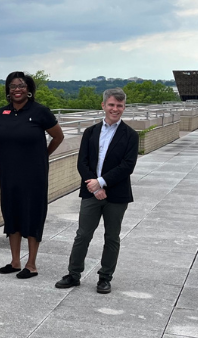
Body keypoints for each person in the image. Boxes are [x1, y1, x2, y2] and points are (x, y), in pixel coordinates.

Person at [56, 88, 138, 294]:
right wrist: (93, 186)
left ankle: (105, 278)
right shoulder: (90, 132)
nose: (115, 109)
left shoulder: (130, 135)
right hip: (91, 192)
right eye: (111, 105)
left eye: (119, 106)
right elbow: (82, 162)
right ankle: (74, 274)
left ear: (124, 108)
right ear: (103, 106)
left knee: (112, 237)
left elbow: (127, 166)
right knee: (82, 235)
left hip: (116, 195)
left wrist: (101, 182)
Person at [0, 71, 65, 279]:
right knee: (11, 214)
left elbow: (58, 137)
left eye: (21, 85)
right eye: (12, 86)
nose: (17, 89)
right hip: (9, 174)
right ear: (8, 90)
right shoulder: (1, 113)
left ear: (29, 89)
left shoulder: (40, 112)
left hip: (34, 175)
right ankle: (15, 262)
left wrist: (43, 155)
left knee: (32, 215)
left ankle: (31, 264)